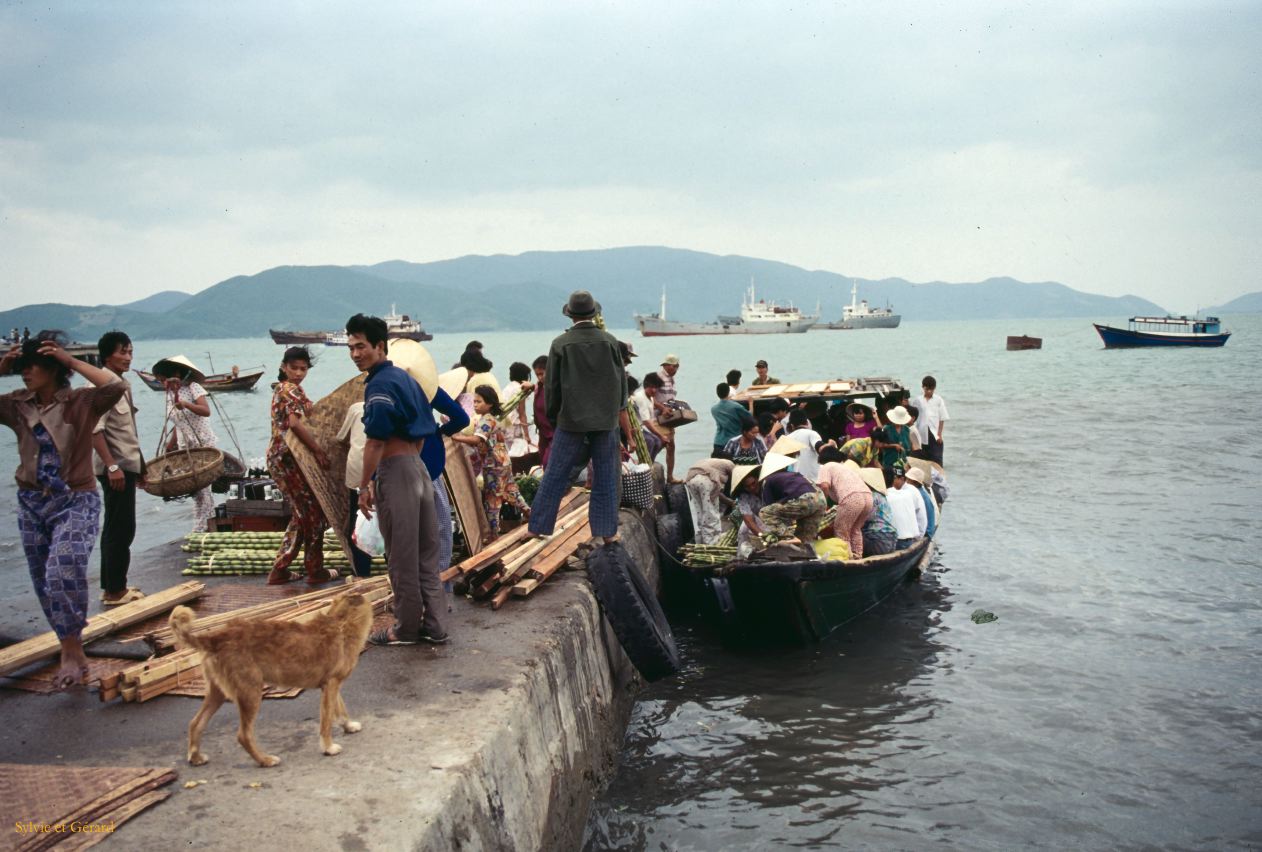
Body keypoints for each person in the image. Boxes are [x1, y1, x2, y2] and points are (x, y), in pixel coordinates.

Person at [0, 333, 126, 687]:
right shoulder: (17, 404)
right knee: (43, 580)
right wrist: (1, 369)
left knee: (62, 570)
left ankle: (71, 651)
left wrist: (70, 360)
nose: (26, 373)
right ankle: (69, 645)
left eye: (33, 366)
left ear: (53, 369)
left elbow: (115, 385)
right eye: (22, 367)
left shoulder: (81, 401)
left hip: (75, 499)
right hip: (31, 503)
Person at [347, 313, 447, 646]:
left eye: (361, 346)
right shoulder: (407, 380)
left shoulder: (379, 385)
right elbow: (425, 431)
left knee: (402, 558)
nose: (355, 354)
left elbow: (374, 442)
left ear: (379, 346)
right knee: (426, 555)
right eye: (351, 348)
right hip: (418, 469)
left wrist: (365, 485)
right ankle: (436, 625)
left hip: (397, 472)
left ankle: (405, 630)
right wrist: (409, 462)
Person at [526, 291, 626, 546]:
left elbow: (552, 386)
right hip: (605, 421)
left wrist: (554, 417)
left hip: (570, 420)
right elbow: (620, 383)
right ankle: (607, 532)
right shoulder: (610, 341)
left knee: (555, 473)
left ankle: (538, 527)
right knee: (606, 475)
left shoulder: (561, 344)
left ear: (570, 315)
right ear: (594, 313)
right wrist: (615, 411)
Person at [264, 347, 335, 585]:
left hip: (284, 459)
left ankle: (287, 567)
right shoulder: (289, 389)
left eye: (303, 369)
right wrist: (317, 450)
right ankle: (311, 569)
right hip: (286, 460)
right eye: (293, 368)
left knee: (304, 513)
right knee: (311, 513)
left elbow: (308, 415)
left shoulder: (288, 390)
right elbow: (294, 424)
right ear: (284, 367)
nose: (298, 373)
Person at [91, 330, 146, 605]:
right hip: (115, 469)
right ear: (106, 356)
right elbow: (94, 430)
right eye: (122, 352)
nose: (128, 357)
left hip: (126, 465)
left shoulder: (121, 384)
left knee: (121, 527)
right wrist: (112, 467)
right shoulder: (102, 385)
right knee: (119, 528)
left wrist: (141, 466)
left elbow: (128, 431)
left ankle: (114, 585)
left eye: (130, 352)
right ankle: (115, 591)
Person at [452, 385, 531, 540]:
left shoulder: (486, 420)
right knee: (511, 490)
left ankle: (493, 534)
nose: (475, 405)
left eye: (479, 402)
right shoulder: (492, 418)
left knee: (492, 499)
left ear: (489, 404)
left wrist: (456, 438)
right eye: (474, 402)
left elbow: (477, 439)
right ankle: (529, 512)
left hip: (493, 465)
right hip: (503, 462)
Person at [153, 355, 217, 532]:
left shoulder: (193, 387)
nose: (163, 384)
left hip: (201, 442)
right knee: (194, 487)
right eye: (160, 381)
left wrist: (187, 404)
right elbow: (178, 421)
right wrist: (170, 444)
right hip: (185, 444)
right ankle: (202, 522)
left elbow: (206, 411)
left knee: (202, 486)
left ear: (175, 375)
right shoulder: (169, 394)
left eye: (164, 380)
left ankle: (204, 525)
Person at [336, 401, 375, 578]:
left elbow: (341, 438)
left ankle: (362, 572)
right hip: (381, 466)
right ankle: (393, 569)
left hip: (357, 468)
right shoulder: (395, 405)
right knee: (387, 520)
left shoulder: (356, 408)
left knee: (358, 519)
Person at [815, 448, 873, 559]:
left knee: (841, 530)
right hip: (868, 497)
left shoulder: (826, 466)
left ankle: (847, 559)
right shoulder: (844, 467)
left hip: (852, 497)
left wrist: (822, 504)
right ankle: (858, 556)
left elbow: (824, 486)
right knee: (855, 529)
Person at [757, 455, 828, 545]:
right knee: (804, 541)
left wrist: (779, 532)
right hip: (821, 500)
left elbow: (770, 510)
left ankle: (789, 537)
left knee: (764, 512)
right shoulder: (795, 474)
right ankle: (804, 548)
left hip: (804, 500)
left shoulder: (769, 480)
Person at [683, 457, 734, 545]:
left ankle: (700, 539)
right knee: (711, 513)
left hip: (691, 480)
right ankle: (710, 542)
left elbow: (718, 493)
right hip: (706, 481)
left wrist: (730, 502)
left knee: (700, 512)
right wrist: (732, 502)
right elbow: (735, 482)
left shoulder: (714, 462)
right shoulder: (731, 465)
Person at [626, 373, 671, 462]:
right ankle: (644, 463)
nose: (654, 390)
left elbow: (654, 402)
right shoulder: (641, 398)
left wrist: (663, 408)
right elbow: (646, 421)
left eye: (656, 388)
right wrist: (661, 435)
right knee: (650, 441)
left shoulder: (650, 397)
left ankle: (650, 463)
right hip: (634, 427)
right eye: (652, 387)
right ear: (646, 386)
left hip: (641, 427)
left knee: (657, 442)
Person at [651, 354, 681, 482]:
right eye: (675, 367)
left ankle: (669, 476)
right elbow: (650, 398)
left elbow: (669, 398)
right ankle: (646, 465)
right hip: (657, 418)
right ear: (669, 366)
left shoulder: (671, 379)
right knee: (660, 443)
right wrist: (662, 408)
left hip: (668, 418)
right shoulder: (658, 377)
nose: (676, 369)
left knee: (671, 446)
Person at [858, 467, 897, 556]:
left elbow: (864, 519)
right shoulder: (881, 496)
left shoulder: (871, 497)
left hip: (878, 540)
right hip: (890, 538)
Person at [884, 466, 926, 549]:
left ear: (902, 479)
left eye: (895, 478)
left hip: (905, 540)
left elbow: (922, 518)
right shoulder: (906, 493)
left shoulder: (910, 492)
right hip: (908, 539)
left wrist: (918, 538)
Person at [913, 375, 948, 465]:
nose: (929, 391)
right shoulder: (918, 400)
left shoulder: (938, 400)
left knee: (937, 460)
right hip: (921, 433)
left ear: (934, 388)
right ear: (923, 387)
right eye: (927, 389)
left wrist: (939, 434)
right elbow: (913, 416)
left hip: (934, 433)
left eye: (931, 389)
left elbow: (942, 418)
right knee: (921, 460)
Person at [501, 361, 535, 456]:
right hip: (515, 428)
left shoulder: (507, 388)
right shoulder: (520, 389)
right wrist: (527, 436)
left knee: (509, 453)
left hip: (505, 426)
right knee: (518, 454)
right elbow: (522, 413)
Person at [531, 355, 555, 468]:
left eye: (542, 374)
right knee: (542, 459)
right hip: (543, 432)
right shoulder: (539, 387)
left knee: (548, 461)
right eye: (537, 375)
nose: (540, 377)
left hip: (554, 432)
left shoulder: (556, 388)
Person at [711, 382, 748, 454]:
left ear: (717, 393)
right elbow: (749, 417)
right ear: (728, 392)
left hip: (718, 442)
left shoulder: (714, 409)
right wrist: (751, 403)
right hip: (734, 442)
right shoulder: (736, 406)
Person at [785, 410, 822, 480]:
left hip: (797, 480)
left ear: (792, 425)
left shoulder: (787, 439)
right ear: (807, 423)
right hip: (815, 478)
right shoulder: (811, 433)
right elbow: (818, 445)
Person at [904, 466, 937, 538]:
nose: (906, 482)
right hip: (926, 529)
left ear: (914, 482)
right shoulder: (919, 492)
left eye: (908, 480)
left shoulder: (918, 494)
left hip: (926, 532)